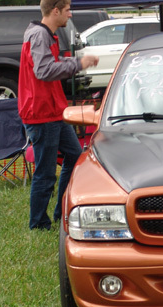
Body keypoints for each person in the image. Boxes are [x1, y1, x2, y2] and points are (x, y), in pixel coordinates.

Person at [18, 0, 99, 230]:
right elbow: (43, 70)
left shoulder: (42, 33)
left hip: (53, 112)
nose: (70, 15)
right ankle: (38, 224)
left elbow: (49, 64)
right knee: (45, 173)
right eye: (67, 10)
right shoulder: (39, 35)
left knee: (74, 155)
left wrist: (76, 63)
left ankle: (61, 211)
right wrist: (78, 64)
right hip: (41, 114)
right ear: (55, 11)